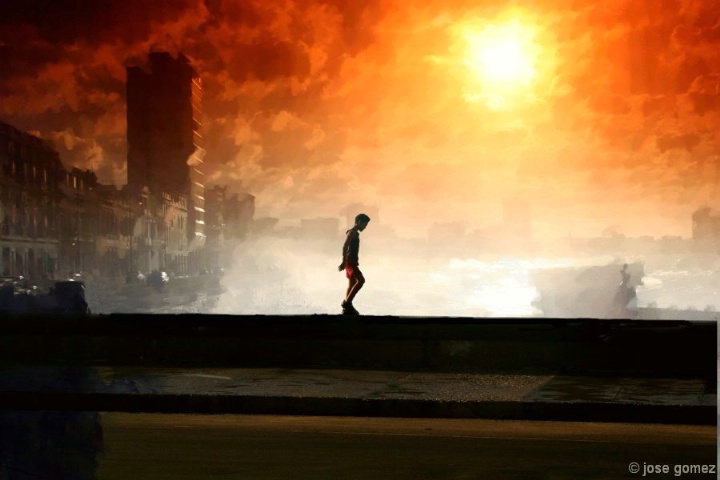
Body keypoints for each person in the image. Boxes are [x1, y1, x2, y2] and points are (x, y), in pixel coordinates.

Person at [338, 213, 370, 314]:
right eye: (365, 225)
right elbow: (345, 246)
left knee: (352, 283)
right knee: (361, 281)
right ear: (359, 222)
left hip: (352, 261)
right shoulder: (352, 233)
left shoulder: (355, 233)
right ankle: (347, 303)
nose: (365, 227)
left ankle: (347, 308)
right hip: (350, 262)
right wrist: (344, 262)